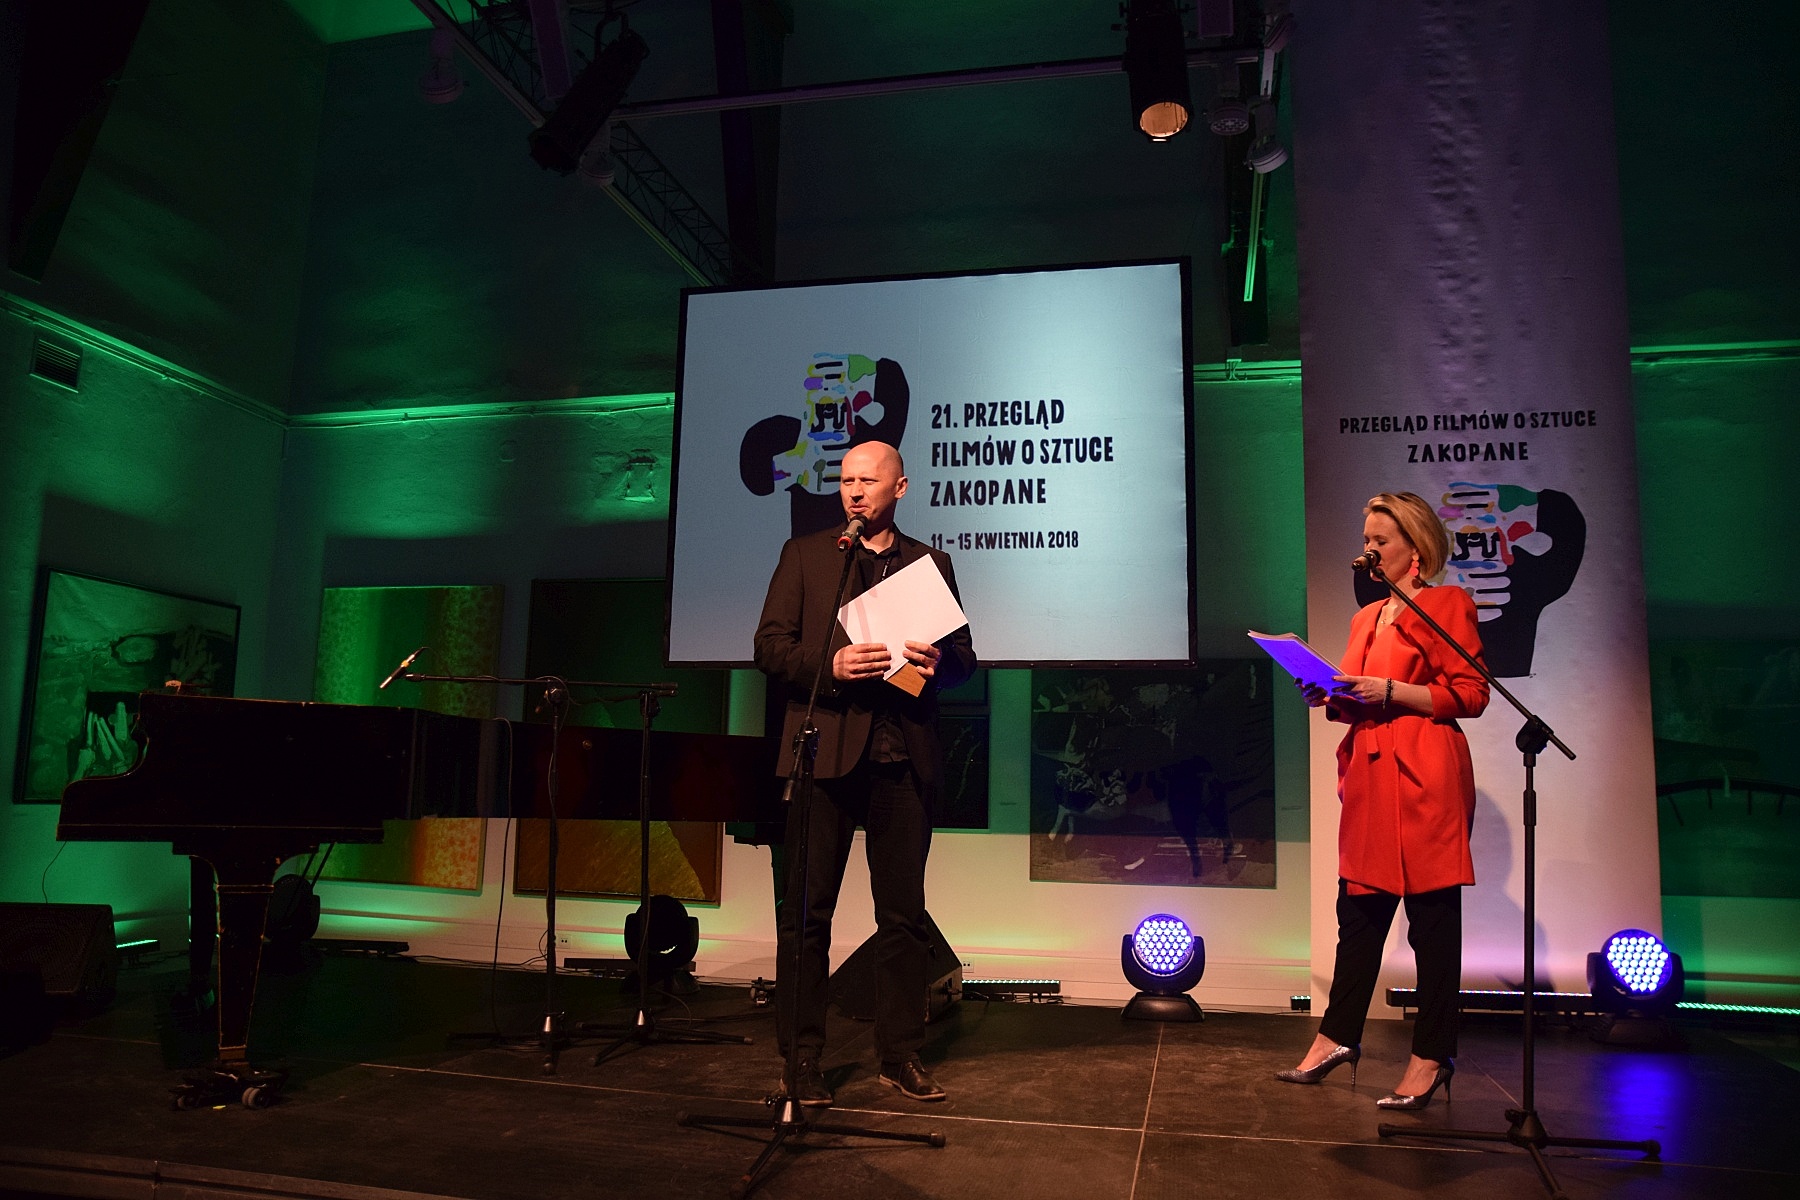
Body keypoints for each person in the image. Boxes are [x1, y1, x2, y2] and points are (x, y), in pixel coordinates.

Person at [753, 441, 977, 1107]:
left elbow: (965, 659)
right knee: (806, 915)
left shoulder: (930, 564)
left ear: (899, 488)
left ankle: (900, 1054)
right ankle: (801, 1060)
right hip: (824, 755)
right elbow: (769, 646)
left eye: (868, 481)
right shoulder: (806, 556)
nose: (853, 491)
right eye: (846, 479)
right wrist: (830, 667)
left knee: (903, 917)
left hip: (902, 757)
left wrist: (941, 663)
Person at [1278, 491, 1489, 1110]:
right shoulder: (1365, 617)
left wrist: (1393, 690)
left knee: (1432, 925)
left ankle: (1432, 1056)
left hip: (1425, 773)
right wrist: (1325, 693)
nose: (1367, 550)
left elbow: (1472, 693)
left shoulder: (1447, 605)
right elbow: (1354, 697)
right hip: (1371, 775)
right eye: (1366, 540)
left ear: (1415, 550)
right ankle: (1337, 1036)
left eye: (1380, 541)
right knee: (1360, 915)